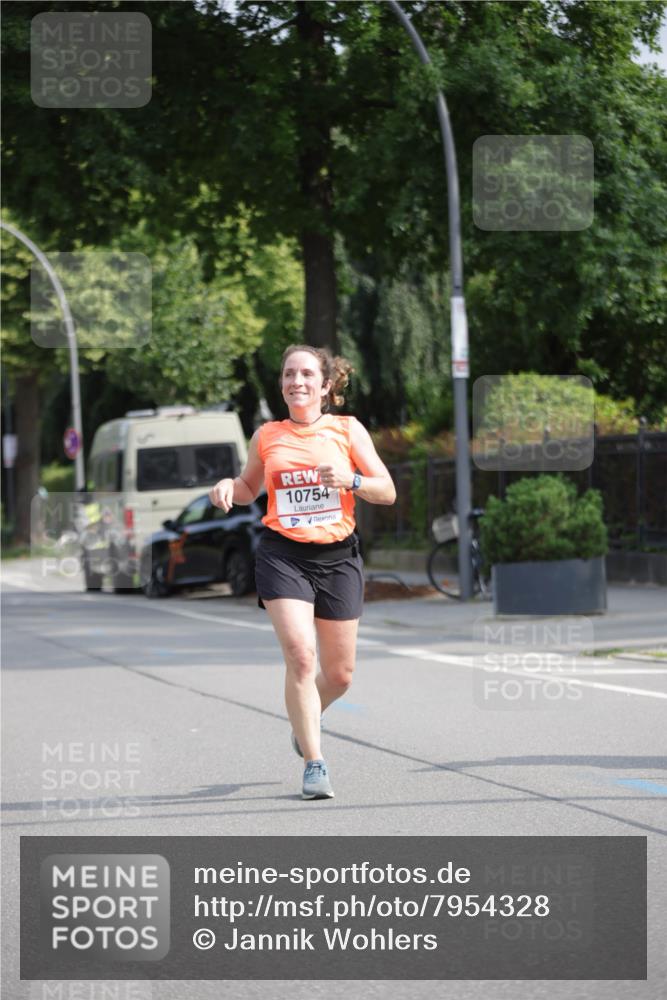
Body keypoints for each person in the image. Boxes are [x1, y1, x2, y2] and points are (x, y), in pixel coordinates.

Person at [209, 344, 396, 800]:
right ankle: (315, 763)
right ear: (282, 384)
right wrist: (226, 487)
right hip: (283, 555)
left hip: (338, 557)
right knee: (301, 656)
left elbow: (386, 490)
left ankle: (306, 716)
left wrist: (350, 480)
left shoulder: (348, 430)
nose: (298, 381)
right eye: (290, 374)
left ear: (326, 385)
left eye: (308, 374)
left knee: (340, 675)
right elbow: (250, 487)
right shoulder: (267, 436)